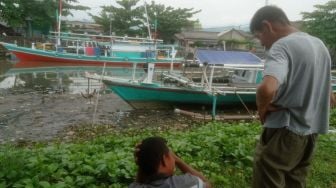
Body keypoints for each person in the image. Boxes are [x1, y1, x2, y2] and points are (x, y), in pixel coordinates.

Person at [249, 5, 332, 188]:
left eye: (258, 36)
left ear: (267, 26)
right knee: (295, 180)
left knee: (267, 175)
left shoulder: (282, 46)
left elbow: (267, 88)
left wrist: (262, 108)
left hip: (285, 128)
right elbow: (330, 96)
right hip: (310, 132)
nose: (261, 43)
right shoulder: (319, 45)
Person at [129, 136, 211, 188]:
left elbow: (138, 183)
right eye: (170, 155)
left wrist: (142, 164)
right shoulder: (188, 182)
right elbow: (206, 184)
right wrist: (178, 160)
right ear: (165, 159)